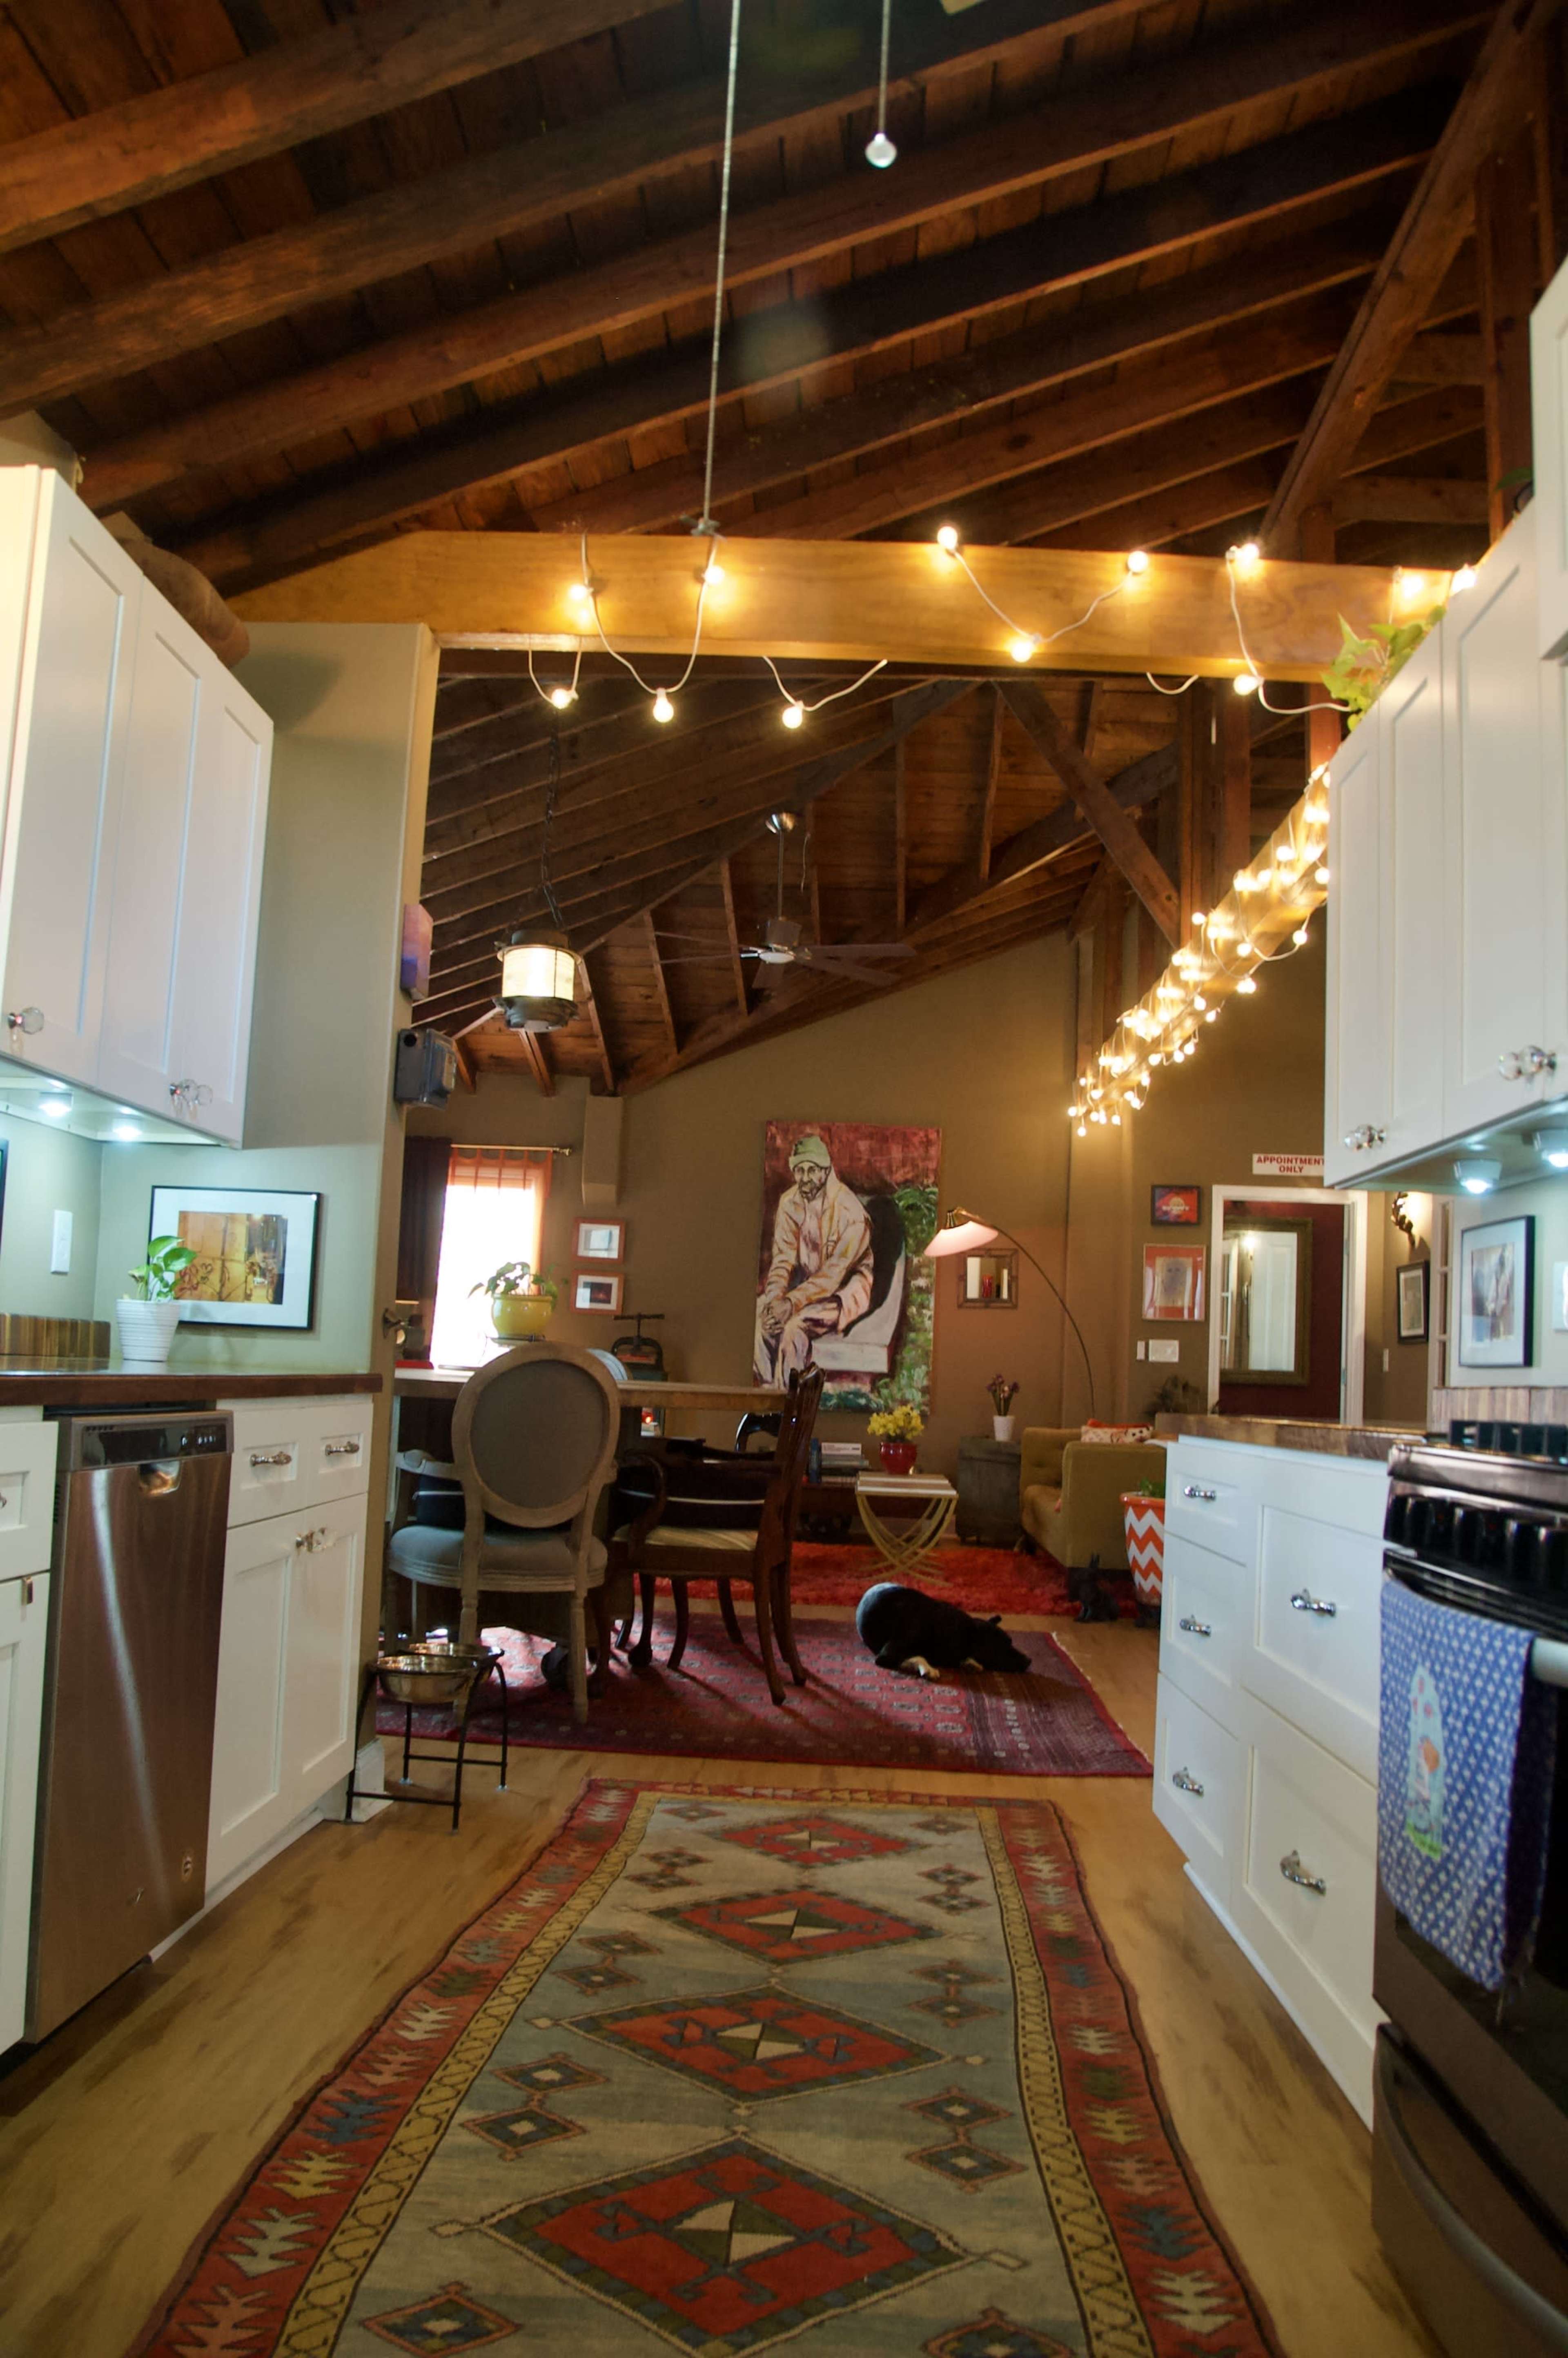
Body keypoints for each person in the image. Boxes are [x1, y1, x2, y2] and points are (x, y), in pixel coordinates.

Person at [753, 1133, 875, 1382]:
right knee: (760, 1315)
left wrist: (790, 1304)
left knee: (793, 1329)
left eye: (812, 1171)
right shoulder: (789, 1203)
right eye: (800, 1171)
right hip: (804, 1286)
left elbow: (833, 1276)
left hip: (843, 1292)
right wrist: (775, 1301)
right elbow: (782, 1261)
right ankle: (768, 1392)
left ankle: (789, 1403)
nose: (805, 1179)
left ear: (826, 1170)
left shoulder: (851, 1213)